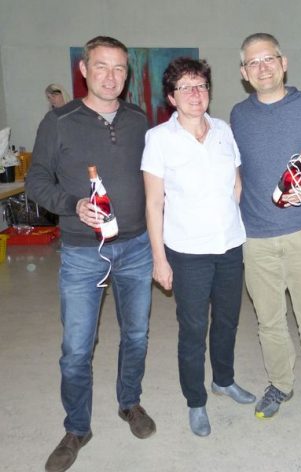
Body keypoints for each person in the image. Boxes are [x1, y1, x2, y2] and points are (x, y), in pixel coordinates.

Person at [26, 36, 156, 472]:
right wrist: (72, 204)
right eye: (101, 66)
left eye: (119, 68)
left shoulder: (139, 120)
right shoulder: (59, 121)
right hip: (83, 252)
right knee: (77, 348)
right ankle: (77, 428)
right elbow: (37, 181)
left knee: (136, 336)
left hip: (136, 247)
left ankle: (129, 403)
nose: (111, 76)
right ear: (84, 69)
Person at [230, 33, 301, 425]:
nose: (262, 67)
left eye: (268, 59)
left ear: (283, 63)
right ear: (244, 72)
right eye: (253, 62)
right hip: (255, 237)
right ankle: (280, 383)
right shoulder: (238, 116)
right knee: (269, 321)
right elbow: (235, 169)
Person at [141, 57, 255, 437]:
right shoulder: (159, 139)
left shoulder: (224, 131)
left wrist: (225, 220)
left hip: (229, 246)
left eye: (201, 86)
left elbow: (236, 185)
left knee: (227, 320)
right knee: (193, 329)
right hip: (187, 252)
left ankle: (223, 380)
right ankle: (196, 400)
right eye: (185, 87)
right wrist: (159, 259)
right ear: (172, 97)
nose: (195, 93)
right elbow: (154, 203)